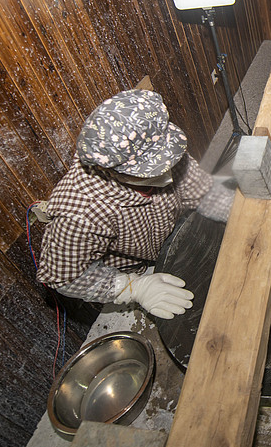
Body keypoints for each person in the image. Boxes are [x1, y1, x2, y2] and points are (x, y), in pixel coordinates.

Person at [36, 89, 233, 319]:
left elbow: (203, 192)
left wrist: (239, 212)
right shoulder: (82, 212)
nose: (168, 173)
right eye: (151, 170)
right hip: (126, 269)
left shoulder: (159, 147)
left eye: (166, 161)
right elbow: (65, 276)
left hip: (162, 238)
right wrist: (133, 287)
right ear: (111, 170)